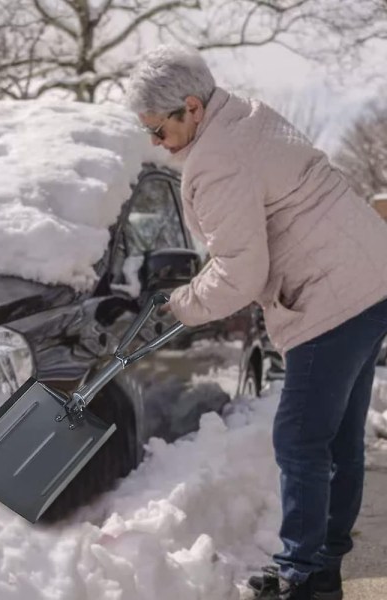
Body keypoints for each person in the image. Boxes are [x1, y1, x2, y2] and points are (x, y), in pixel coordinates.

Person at [125, 44, 387, 600]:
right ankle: (320, 570)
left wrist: (178, 305)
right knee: (335, 438)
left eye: (157, 129)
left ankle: (300, 574)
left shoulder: (216, 160)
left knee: (298, 437)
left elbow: (242, 273)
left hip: (331, 298)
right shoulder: (246, 114)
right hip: (372, 280)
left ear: (191, 108)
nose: (154, 142)